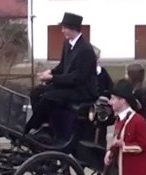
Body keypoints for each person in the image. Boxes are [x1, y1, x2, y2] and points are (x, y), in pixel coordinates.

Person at [24, 12, 97, 142]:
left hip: (81, 90)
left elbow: (77, 78)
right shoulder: (68, 44)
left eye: (65, 28)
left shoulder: (85, 50)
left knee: (48, 97)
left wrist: (53, 79)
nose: (62, 31)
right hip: (70, 85)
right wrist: (50, 73)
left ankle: (31, 127)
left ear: (73, 28)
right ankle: (45, 124)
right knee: (36, 92)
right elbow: (63, 66)